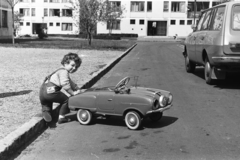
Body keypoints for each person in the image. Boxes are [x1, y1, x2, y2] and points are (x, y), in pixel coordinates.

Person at [39, 52, 82, 124]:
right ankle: (62, 117)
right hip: (51, 91)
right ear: (65, 63)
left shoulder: (59, 70)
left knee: (46, 103)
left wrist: (77, 88)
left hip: (42, 91)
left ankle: (46, 112)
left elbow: (70, 83)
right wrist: (72, 93)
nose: (74, 68)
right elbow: (65, 84)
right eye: (72, 65)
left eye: (76, 67)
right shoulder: (64, 72)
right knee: (66, 100)